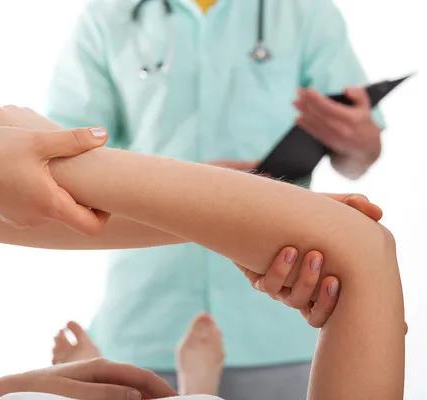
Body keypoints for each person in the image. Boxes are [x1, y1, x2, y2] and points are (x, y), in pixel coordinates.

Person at [45, 0, 387, 397]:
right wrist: (199, 188)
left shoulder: (304, 10)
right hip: (147, 321)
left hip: (282, 319)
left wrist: (359, 140)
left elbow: (359, 154)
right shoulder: (107, 16)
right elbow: (60, 155)